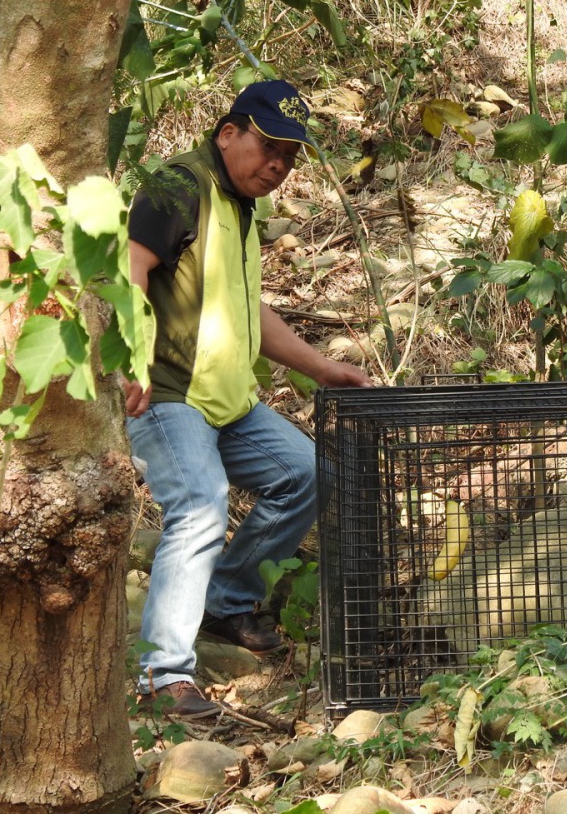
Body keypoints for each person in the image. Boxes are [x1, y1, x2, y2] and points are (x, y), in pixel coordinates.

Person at [124, 80, 371, 717]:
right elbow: (127, 269)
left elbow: (248, 310)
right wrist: (127, 359)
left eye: (289, 157)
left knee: (308, 472)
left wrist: (323, 368)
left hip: (229, 401)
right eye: (269, 147)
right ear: (228, 132)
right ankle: (162, 674)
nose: (278, 166)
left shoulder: (242, 208)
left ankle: (225, 601)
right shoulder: (179, 186)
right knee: (201, 506)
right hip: (169, 395)